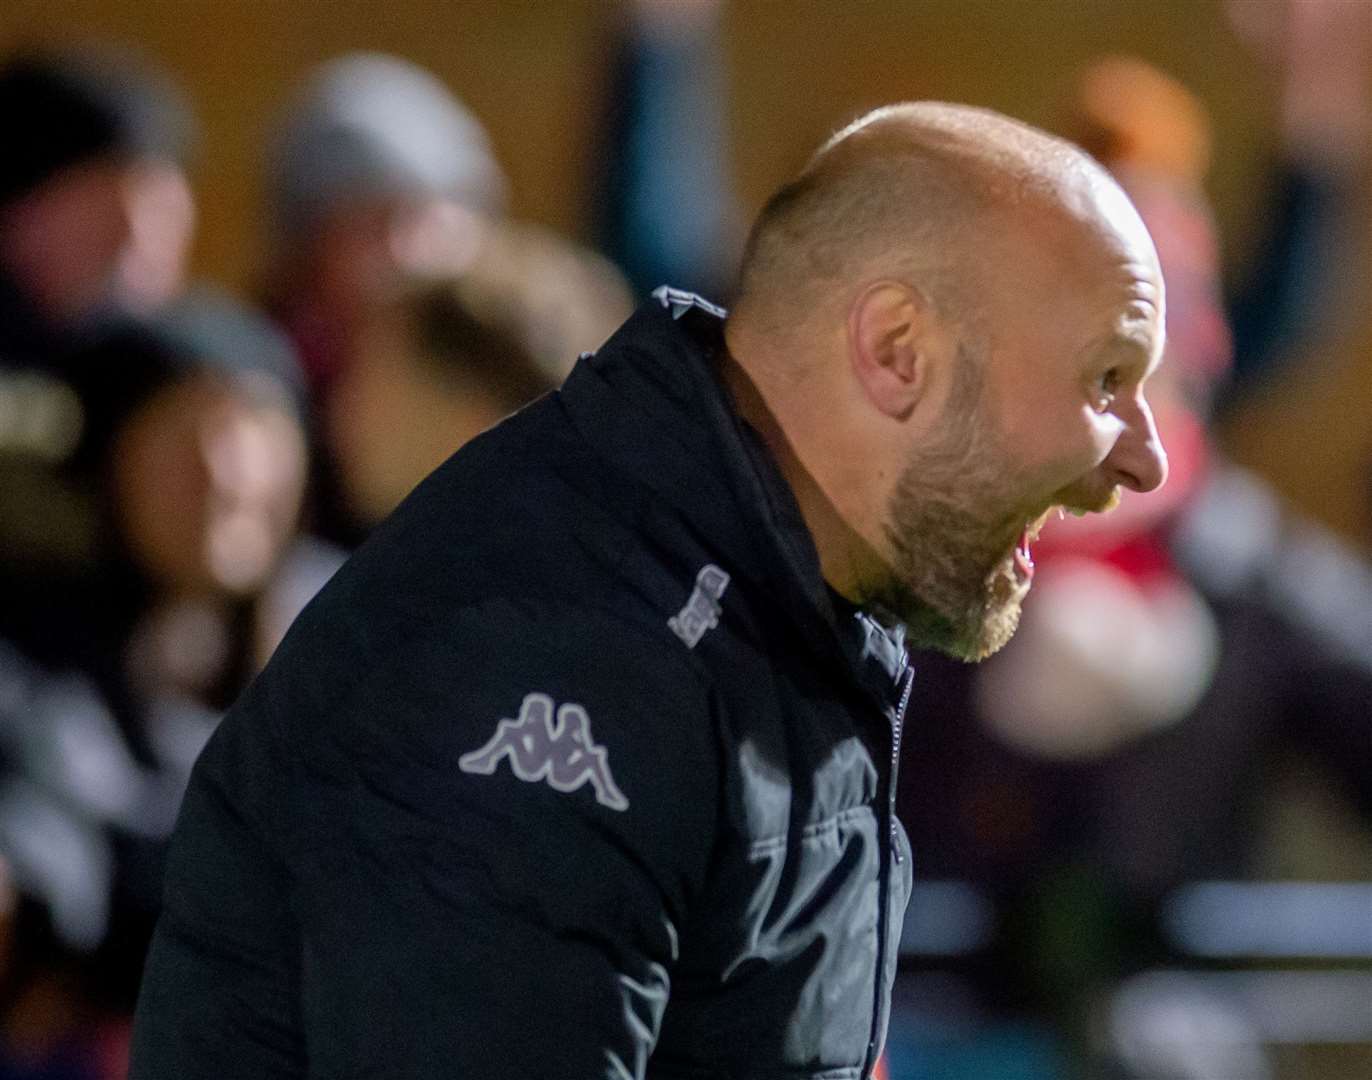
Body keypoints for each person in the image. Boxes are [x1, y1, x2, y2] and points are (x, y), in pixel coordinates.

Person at [129, 101, 1167, 1078]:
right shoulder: (558, 645)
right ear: (897, 352)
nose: (1145, 461)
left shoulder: (793, 612)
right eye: (1105, 380)